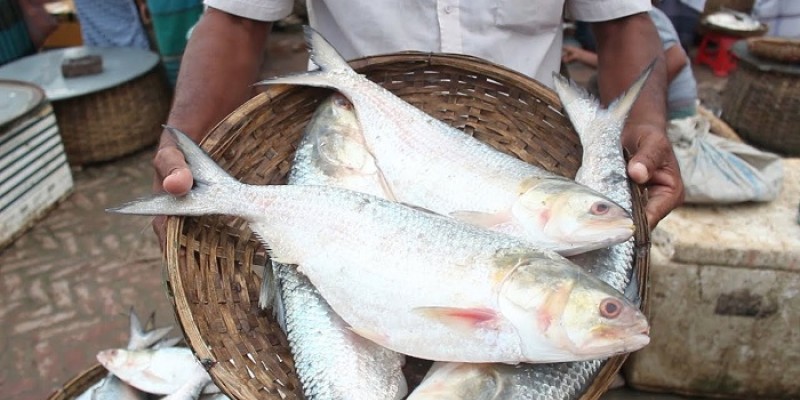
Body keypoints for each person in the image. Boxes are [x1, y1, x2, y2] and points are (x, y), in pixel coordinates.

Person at [152, 1, 685, 242]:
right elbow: (236, 20)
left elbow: (622, 23)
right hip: (353, 163)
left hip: (530, 165)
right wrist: (185, 142)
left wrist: (645, 121)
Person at [563, 7, 699, 120]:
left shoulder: (644, 17)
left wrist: (638, 98)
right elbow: (617, 64)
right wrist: (580, 55)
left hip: (675, 107)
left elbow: (677, 59)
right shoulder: (615, 22)